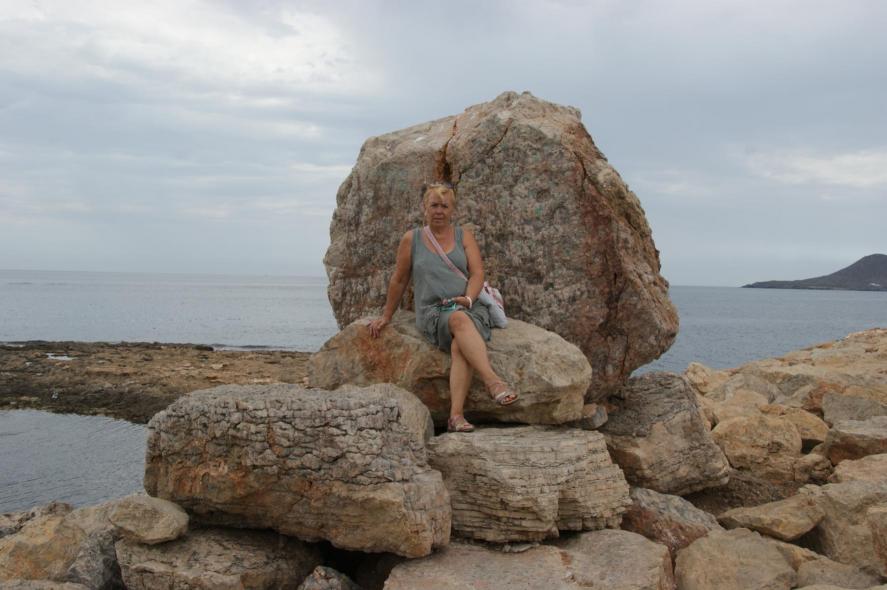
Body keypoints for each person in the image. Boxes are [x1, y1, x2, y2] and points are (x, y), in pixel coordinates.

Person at [368, 181, 518, 432]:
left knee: (461, 343)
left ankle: (456, 417)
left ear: (452, 210)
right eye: (434, 205)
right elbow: (399, 279)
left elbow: (477, 273)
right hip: (434, 311)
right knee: (458, 320)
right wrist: (386, 316)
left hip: (469, 306)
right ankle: (493, 382)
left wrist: (468, 299)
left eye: (445, 206)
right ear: (424, 208)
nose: (439, 211)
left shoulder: (463, 236)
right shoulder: (412, 239)